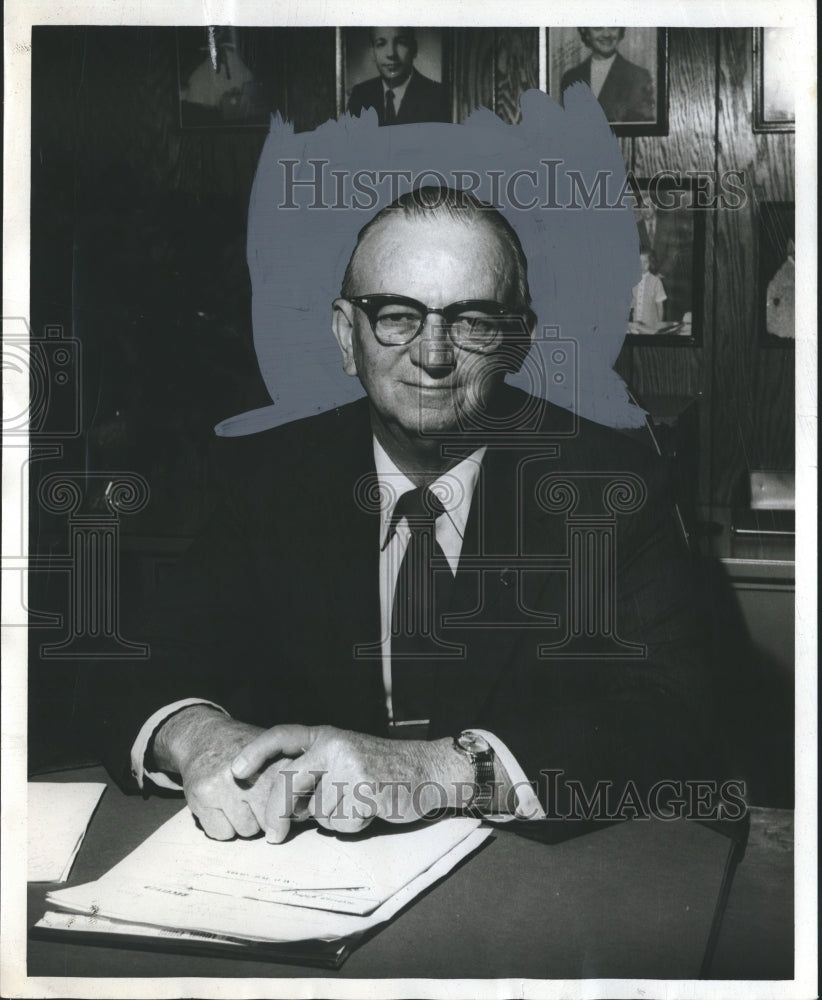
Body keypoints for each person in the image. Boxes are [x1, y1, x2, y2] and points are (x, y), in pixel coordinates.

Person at [92, 187, 721, 845]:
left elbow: (679, 712)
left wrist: (440, 769)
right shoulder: (269, 479)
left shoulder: (611, 486)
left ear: (516, 342)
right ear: (345, 334)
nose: (433, 354)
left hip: (527, 885)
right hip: (303, 871)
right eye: (396, 315)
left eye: (473, 320)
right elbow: (137, 663)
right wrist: (201, 739)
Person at [347, 27, 450, 126]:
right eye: (381, 44)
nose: (391, 53)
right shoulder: (360, 95)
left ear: (414, 48)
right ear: (372, 52)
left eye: (401, 42)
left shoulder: (439, 97)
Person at [561, 28, 654, 124]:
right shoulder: (570, 78)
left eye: (613, 27)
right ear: (586, 32)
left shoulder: (638, 76)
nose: (606, 34)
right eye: (598, 28)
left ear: (620, 31)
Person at [630, 251, 667, 330]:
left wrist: (659, 325)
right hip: (635, 324)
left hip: (650, 325)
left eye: (645, 262)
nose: (642, 265)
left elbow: (660, 307)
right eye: (639, 262)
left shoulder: (656, 281)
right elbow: (631, 303)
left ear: (650, 263)